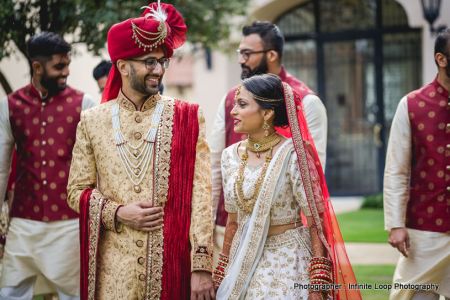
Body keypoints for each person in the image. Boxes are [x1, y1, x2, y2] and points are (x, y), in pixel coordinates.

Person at [67, 2, 214, 299]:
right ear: (122, 66)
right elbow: (75, 191)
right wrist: (118, 213)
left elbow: (201, 193)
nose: (158, 70)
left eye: (162, 61)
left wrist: (201, 266)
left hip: (171, 265)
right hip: (113, 274)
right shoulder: (93, 121)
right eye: (149, 61)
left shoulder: (186, 116)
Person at [213, 74, 360, 299]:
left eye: (242, 105)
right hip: (242, 260)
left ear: (267, 113)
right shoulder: (229, 156)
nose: (233, 112)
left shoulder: (294, 155)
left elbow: (316, 221)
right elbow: (233, 221)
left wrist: (317, 282)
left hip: (287, 260)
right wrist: (222, 272)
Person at [210, 21, 327, 258]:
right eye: (239, 53)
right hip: (231, 226)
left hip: (284, 237)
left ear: (271, 54)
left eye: (247, 53)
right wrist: (207, 224)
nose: (241, 60)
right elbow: (213, 167)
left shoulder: (305, 102)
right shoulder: (231, 99)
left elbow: (314, 173)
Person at [0, 31, 96, 299]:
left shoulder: (85, 104)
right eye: (59, 66)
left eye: (67, 65)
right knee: (8, 293)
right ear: (37, 66)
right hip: (23, 222)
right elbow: (1, 167)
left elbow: (96, 167)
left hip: (69, 223)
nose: (66, 72)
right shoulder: (9, 106)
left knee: (75, 295)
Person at [384, 28, 450, 300]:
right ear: (441, 58)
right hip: (425, 229)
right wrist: (396, 224)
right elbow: (396, 169)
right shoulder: (412, 104)